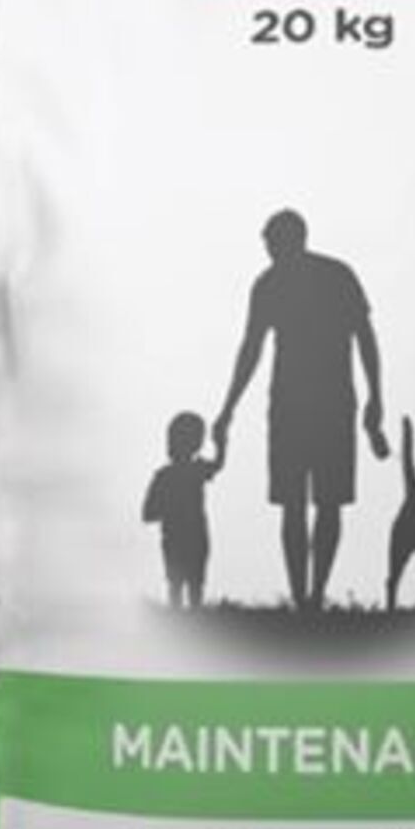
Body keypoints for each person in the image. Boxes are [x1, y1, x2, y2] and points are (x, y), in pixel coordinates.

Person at [214, 210, 386, 609]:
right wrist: (228, 408)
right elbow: (251, 349)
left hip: (325, 405)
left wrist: (377, 398)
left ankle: (312, 595)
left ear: (293, 239)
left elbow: (365, 337)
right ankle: (304, 597)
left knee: (324, 503)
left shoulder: (329, 276)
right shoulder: (276, 283)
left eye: (272, 242)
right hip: (301, 405)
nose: (269, 250)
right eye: (268, 244)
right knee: (301, 504)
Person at [142, 410, 224, 608]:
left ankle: (180, 619)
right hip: (190, 536)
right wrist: (221, 443)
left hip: (179, 537)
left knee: (180, 585)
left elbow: (148, 514)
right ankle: (190, 619)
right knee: (190, 585)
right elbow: (148, 514)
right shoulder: (194, 471)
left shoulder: (166, 476)